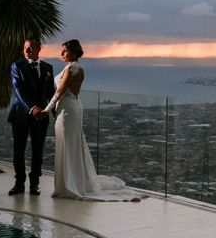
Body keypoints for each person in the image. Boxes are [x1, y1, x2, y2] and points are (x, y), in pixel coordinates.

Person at [41, 39, 141, 201]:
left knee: (67, 144)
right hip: (73, 106)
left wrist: (46, 110)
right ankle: (76, 181)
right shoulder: (79, 68)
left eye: (64, 51)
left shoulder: (71, 68)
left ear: (72, 52)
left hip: (67, 109)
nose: (61, 54)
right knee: (73, 144)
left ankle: (69, 185)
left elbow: (59, 91)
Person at [7, 37, 55, 196]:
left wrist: (56, 113)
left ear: (38, 49)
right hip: (20, 115)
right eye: (25, 48)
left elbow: (51, 94)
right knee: (18, 151)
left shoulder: (48, 67)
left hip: (41, 117)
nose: (27, 51)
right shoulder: (17, 66)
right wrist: (32, 108)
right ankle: (19, 184)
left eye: (31, 48)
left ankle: (35, 184)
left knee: (38, 151)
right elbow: (18, 91)